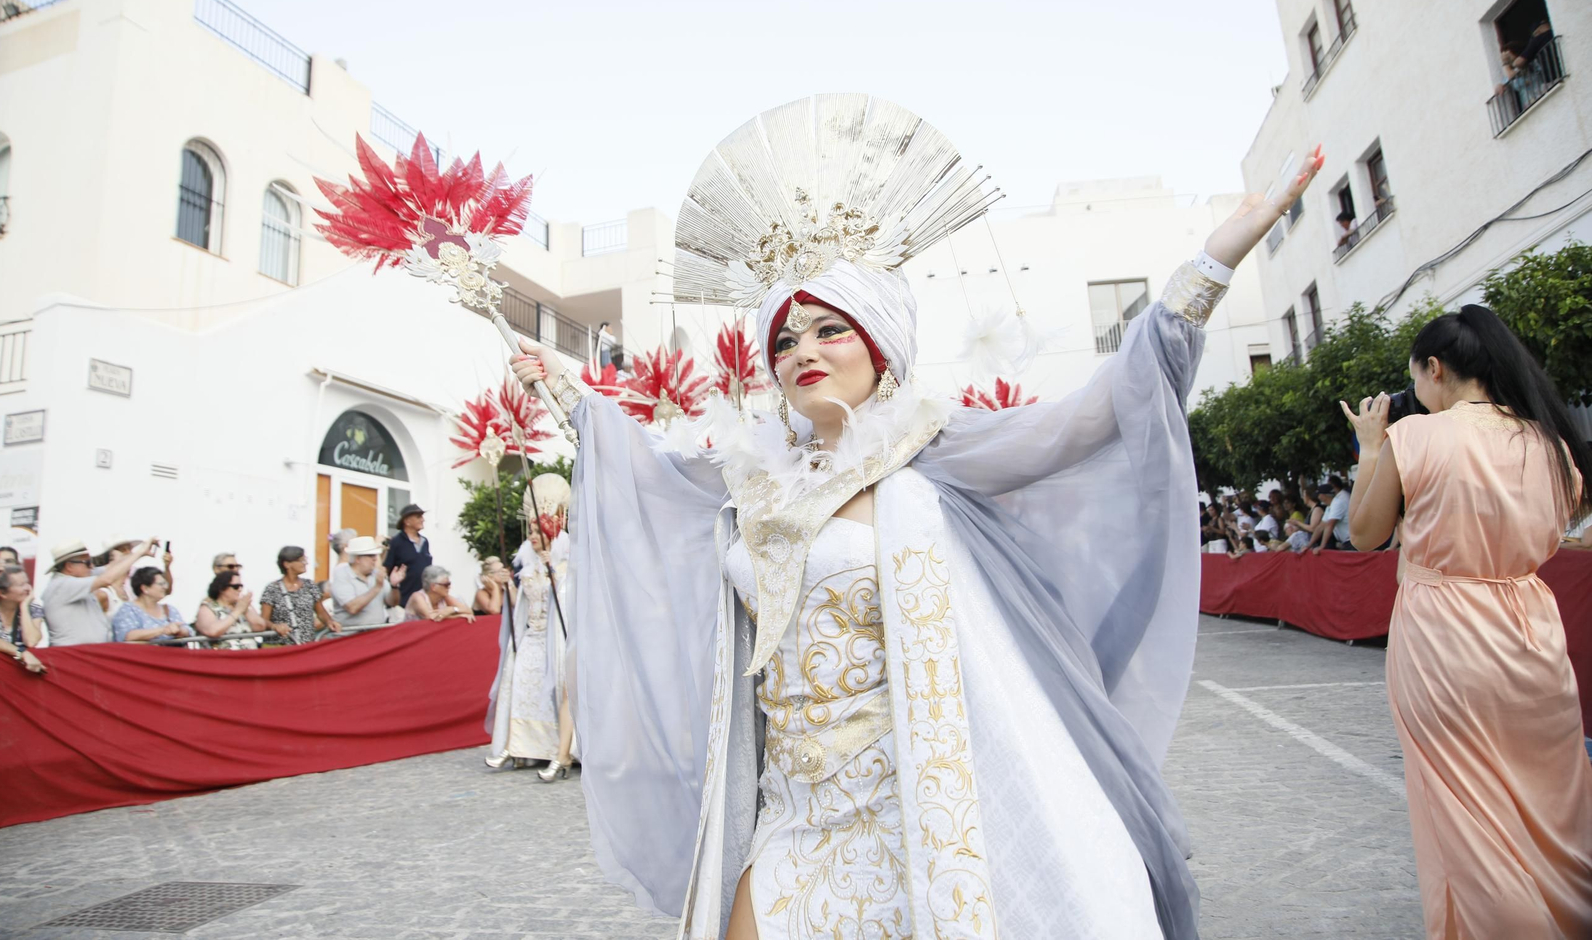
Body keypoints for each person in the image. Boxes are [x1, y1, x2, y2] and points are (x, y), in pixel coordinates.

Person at [509, 94, 1324, 939]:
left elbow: (1090, 420)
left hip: (917, 807)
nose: (803, 352)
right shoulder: (752, 477)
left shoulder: (932, 449)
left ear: (879, 344)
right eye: (785, 340)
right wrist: (566, 384)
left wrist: (1214, 263)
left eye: (829, 329)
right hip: (790, 806)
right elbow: (654, 470)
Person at [1341, 304, 1592, 939]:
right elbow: (1557, 530)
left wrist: (1371, 448)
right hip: (1532, 633)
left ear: (1435, 368)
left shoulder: (1417, 436)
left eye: (1415, 378)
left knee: (1466, 814)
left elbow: (1365, 533)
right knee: (1551, 803)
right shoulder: (1550, 443)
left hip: (1444, 636)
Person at [486, 524, 570, 771]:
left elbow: (566, 601)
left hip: (554, 637)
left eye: (538, 532)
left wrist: (553, 572)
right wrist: (508, 586)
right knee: (521, 690)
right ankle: (516, 746)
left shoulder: (565, 566)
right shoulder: (528, 568)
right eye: (530, 532)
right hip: (531, 637)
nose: (532, 536)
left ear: (551, 535)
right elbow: (521, 605)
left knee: (552, 693)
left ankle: (557, 749)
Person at [42, 538, 153, 646]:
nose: (92, 566)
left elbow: (109, 569)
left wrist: (129, 555)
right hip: (71, 653)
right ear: (69, 566)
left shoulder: (78, 578)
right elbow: (107, 579)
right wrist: (140, 552)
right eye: (87, 562)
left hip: (86, 652)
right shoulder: (61, 585)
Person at [260, 546, 339, 644]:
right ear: (287, 564)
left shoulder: (310, 585)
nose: (305, 563)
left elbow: (320, 612)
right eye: (301, 560)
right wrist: (275, 626)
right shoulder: (272, 589)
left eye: (305, 559)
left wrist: (330, 622)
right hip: (280, 646)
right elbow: (263, 620)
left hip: (305, 645)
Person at [330, 535, 402, 627]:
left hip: (376, 632)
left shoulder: (376, 573)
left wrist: (394, 586)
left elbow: (392, 603)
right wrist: (376, 588)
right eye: (370, 555)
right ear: (357, 559)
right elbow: (352, 608)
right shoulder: (342, 574)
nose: (375, 559)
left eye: (375, 555)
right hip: (350, 634)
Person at [112, 566, 192, 644]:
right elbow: (127, 636)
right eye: (161, 584)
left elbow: (188, 630)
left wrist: (179, 631)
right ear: (145, 588)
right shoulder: (128, 610)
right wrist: (162, 630)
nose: (165, 587)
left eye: (165, 583)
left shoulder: (169, 609)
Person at [0, 567, 45, 674]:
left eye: (27, 583)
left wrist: (24, 606)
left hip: (18, 674)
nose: (27, 588)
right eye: (21, 585)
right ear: (2, 593)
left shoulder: (33, 608)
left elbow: (31, 641)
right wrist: (21, 653)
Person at [194, 570, 267, 647]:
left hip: (250, 653)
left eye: (241, 586)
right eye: (236, 587)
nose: (240, 589)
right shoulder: (207, 608)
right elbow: (213, 631)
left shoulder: (243, 605)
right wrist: (237, 611)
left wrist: (246, 610)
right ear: (222, 588)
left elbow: (260, 627)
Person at [384, 504, 432, 608]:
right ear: (407, 521)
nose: (423, 520)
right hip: (403, 602)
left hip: (423, 601)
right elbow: (387, 568)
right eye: (418, 517)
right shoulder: (396, 542)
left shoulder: (425, 541)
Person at [404, 566, 474, 623]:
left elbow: (469, 611)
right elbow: (431, 618)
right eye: (446, 585)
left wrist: (452, 609)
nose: (449, 587)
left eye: (449, 584)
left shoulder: (445, 596)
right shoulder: (418, 597)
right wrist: (459, 616)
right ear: (433, 587)